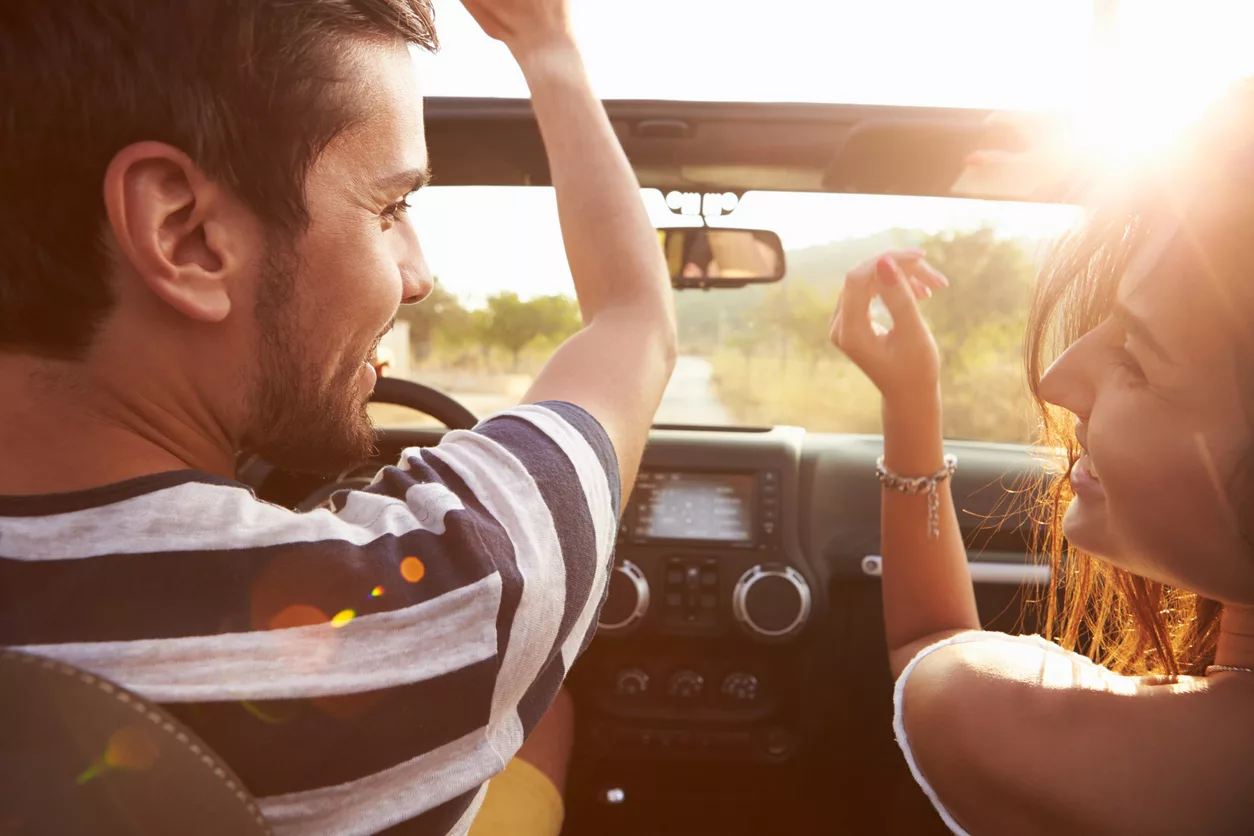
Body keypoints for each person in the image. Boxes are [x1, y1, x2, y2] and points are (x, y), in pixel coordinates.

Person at [0, 2, 676, 835]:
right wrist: (548, 46)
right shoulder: (432, 604)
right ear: (186, 234)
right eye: (389, 209)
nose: (418, 274)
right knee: (551, 714)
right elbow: (633, 325)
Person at [829, 83, 1254, 835]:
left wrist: (910, 398)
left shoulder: (1076, 750)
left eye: (1139, 359)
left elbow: (932, 650)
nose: (1058, 381)